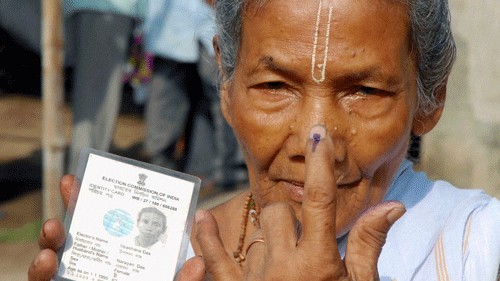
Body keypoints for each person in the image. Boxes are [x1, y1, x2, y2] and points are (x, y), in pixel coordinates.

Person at [29, 0, 500, 280]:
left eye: (364, 91)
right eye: (275, 87)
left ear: (430, 98)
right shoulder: (161, 255)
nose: (314, 143)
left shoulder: (476, 247)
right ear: (227, 86)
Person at [142, 0, 247, 189]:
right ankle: (156, 172)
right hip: (171, 24)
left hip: (214, 24)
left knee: (220, 97)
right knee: (166, 97)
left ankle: (224, 173)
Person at [64, 0, 146, 174]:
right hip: (103, 9)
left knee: (94, 99)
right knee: (95, 101)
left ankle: (83, 177)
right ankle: (83, 180)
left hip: (102, 9)